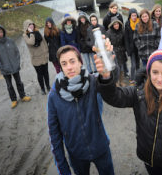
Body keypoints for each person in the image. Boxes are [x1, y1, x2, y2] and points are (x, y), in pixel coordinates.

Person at [95, 49, 162, 175]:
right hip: (148, 162)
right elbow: (114, 97)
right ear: (148, 73)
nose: (159, 78)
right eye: (155, 72)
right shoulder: (138, 94)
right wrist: (106, 77)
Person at [47, 45, 114, 175]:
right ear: (61, 67)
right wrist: (63, 169)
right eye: (64, 64)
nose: (69, 67)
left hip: (101, 148)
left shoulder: (94, 82)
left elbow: (110, 84)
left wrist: (108, 65)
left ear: (80, 62)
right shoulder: (54, 95)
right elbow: (54, 136)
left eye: (72, 61)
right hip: (76, 154)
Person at [0, 25, 31, 108]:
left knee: (19, 82)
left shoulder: (10, 41)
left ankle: (23, 96)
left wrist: (17, 63)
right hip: (5, 70)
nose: (0, 34)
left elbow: (17, 53)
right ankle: (13, 100)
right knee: (9, 85)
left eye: (1, 32)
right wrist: (2, 67)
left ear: (4, 32)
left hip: (15, 67)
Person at [23, 19, 50, 95]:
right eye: (29, 25)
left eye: (32, 24)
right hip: (36, 59)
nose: (31, 26)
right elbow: (31, 42)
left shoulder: (37, 32)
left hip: (43, 56)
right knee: (40, 74)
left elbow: (44, 42)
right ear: (26, 27)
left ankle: (48, 86)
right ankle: (42, 89)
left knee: (46, 73)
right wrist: (31, 33)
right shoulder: (25, 35)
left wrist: (46, 52)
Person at [107, 16, 127, 86]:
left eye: (117, 24)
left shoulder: (122, 31)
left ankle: (122, 81)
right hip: (113, 52)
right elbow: (107, 44)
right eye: (115, 24)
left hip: (121, 52)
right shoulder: (109, 33)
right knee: (115, 69)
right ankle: (116, 82)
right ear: (112, 25)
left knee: (121, 68)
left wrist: (124, 49)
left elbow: (125, 42)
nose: (116, 25)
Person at [124, 8, 140, 85]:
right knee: (133, 65)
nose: (134, 17)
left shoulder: (140, 22)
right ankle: (132, 78)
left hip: (139, 47)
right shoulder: (127, 24)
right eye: (132, 15)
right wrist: (127, 50)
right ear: (130, 16)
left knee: (138, 64)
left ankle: (138, 78)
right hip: (131, 48)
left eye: (135, 15)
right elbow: (126, 38)